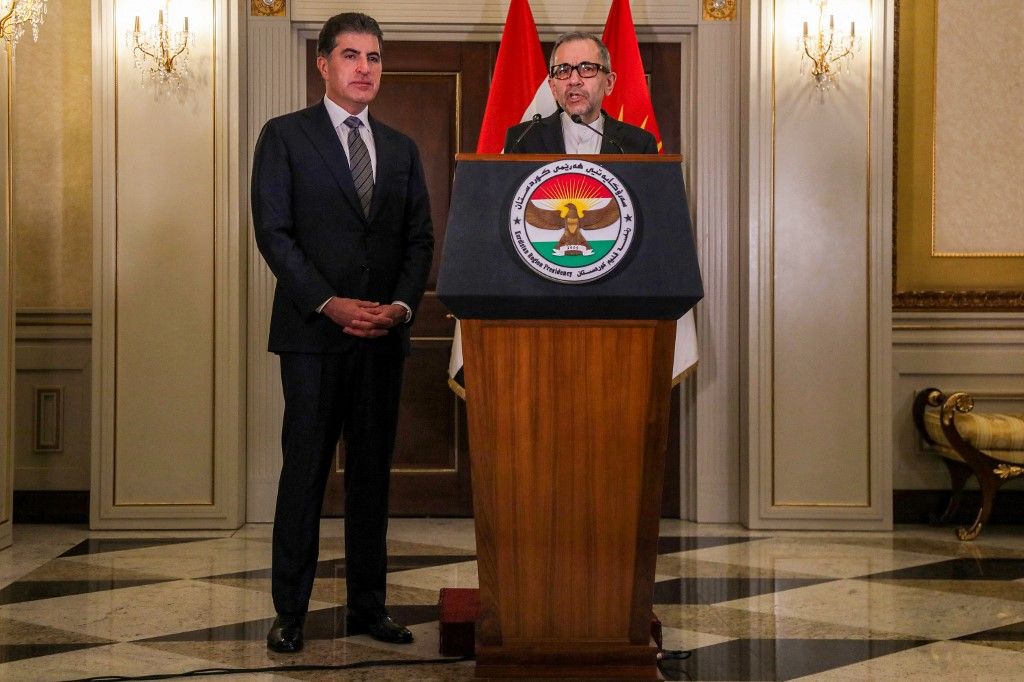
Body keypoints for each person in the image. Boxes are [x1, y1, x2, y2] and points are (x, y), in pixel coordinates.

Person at [251, 12, 433, 653]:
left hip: (381, 340)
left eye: (375, 57)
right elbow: (274, 233)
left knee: (370, 479)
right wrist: (329, 303)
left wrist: (402, 308)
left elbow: (419, 242)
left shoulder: (403, 149)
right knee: (302, 474)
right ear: (322, 64)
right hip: (312, 338)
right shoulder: (284, 137)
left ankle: (367, 608)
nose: (365, 68)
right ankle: (290, 613)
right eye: (351, 56)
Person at [504, 31, 657, 154]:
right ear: (553, 88)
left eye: (587, 69)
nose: (574, 80)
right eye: (563, 70)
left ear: (609, 83)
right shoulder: (523, 139)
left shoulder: (639, 145)